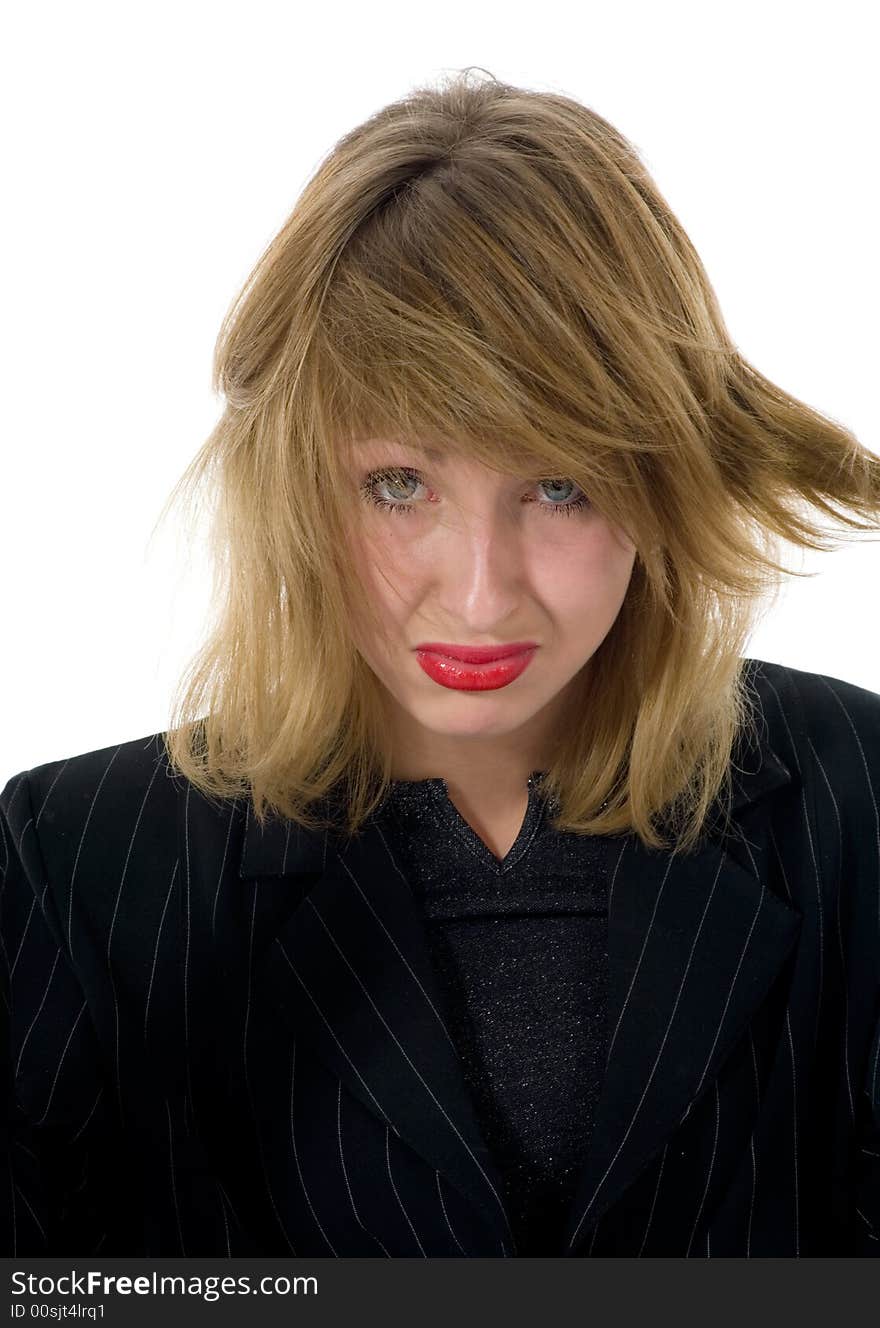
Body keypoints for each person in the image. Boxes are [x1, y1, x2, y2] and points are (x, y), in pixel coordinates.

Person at [2, 68, 879, 1258]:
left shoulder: (856, 806)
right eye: (399, 484)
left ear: (663, 481)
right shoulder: (76, 870)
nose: (478, 591)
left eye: (559, 485)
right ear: (296, 485)